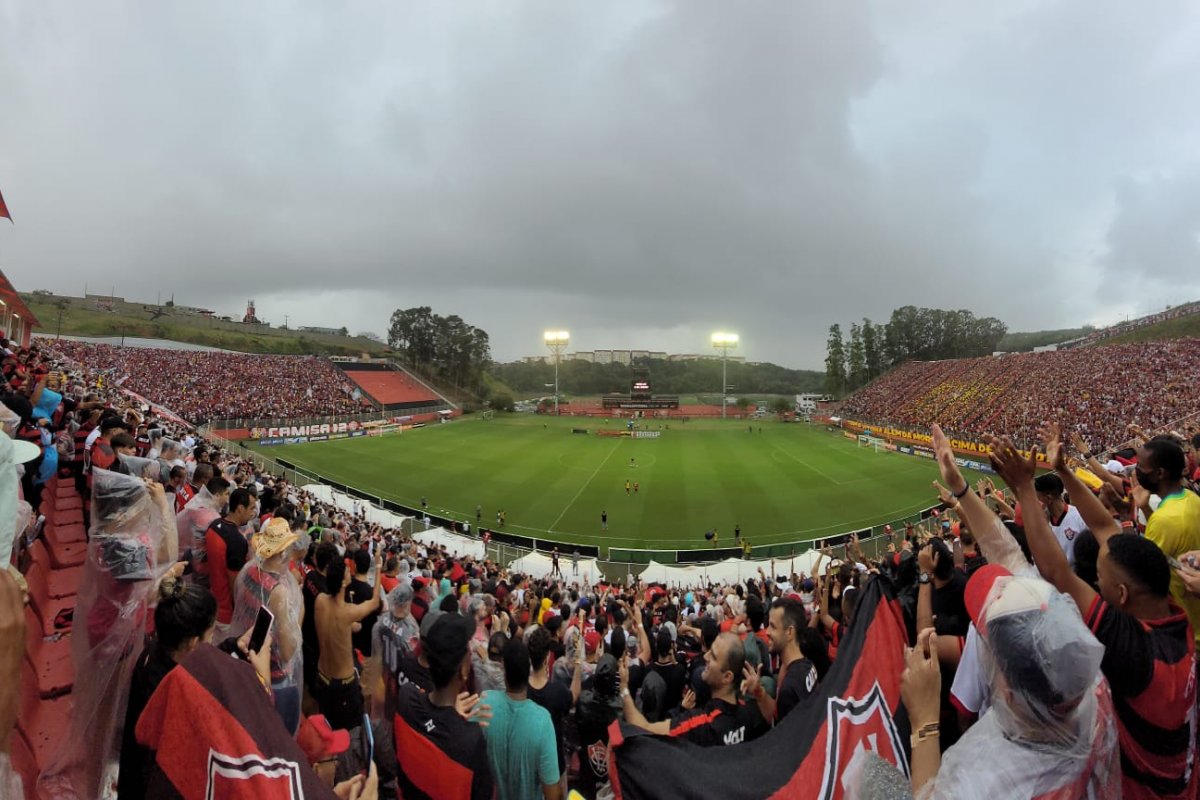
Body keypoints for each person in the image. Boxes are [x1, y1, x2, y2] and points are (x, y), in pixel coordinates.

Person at [990, 428, 1197, 799]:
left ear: (1119, 594)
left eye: (1099, 579)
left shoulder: (1134, 650)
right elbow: (1104, 527)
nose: (1095, 584)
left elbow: (1057, 572)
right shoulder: (1171, 615)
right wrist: (1064, 470)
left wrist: (1023, 489)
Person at [119, 577, 217, 800]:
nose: (213, 641)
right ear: (193, 643)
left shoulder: (154, 651)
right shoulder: (171, 690)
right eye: (210, 635)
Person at [391, 613, 493, 800]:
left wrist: (449, 715)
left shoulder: (406, 698)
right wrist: (453, 718)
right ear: (463, 669)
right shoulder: (471, 741)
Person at [622, 632, 767, 747]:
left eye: (714, 657)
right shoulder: (752, 713)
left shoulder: (698, 725)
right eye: (710, 651)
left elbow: (643, 729)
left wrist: (624, 689)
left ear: (727, 677)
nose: (705, 656)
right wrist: (759, 693)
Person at [229, 517, 305, 734]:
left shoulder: (248, 570)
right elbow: (288, 651)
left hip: (246, 660)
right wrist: (297, 615)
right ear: (282, 553)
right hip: (272, 677)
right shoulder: (278, 591)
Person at [479, 637, 563, 800]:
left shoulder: (483, 703)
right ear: (529, 669)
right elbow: (553, 794)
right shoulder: (542, 721)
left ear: (503, 668)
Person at [1137, 437, 1200, 647]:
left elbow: (1143, 573)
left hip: (1189, 634)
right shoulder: (1190, 498)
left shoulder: (1164, 520)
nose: (1136, 471)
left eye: (1140, 466)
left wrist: (1124, 515)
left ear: (1160, 473)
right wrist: (1145, 509)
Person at [314, 547, 382, 731]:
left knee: (326, 726)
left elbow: (334, 624)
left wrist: (349, 627)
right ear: (343, 582)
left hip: (322, 678)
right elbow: (375, 602)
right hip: (342, 686)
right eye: (346, 571)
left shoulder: (320, 600)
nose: (349, 570)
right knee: (349, 734)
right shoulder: (346, 612)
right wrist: (378, 566)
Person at [743, 597, 817, 724]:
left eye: (773, 626)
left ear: (789, 632)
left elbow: (783, 737)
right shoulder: (807, 666)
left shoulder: (789, 688)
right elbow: (776, 715)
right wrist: (759, 692)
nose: (767, 632)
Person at [528, 623, 581, 793]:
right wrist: (578, 663)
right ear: (547, 657)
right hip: (554, 763)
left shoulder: (521, 690)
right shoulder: (557, 692)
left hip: (529, 761)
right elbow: (573, 695)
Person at [204, 486, 256, 635]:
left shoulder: (214, 525)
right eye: (251, 508)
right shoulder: (236, 541)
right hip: (225, 614)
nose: (253, 513)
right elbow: (236, 584)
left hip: (212, 600)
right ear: (240, 508)